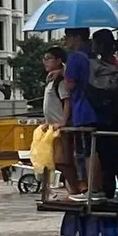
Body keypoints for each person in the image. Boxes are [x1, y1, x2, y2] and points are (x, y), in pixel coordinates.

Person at [62, 28, 105, 202]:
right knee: (95, 150)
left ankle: (92, 189)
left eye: (68, 37)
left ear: (77, 37)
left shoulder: (75, 57)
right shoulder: (95, 55)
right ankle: (97, 187)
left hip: (83, 110)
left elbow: (70, 84)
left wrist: (64, 74)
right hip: (99, 109)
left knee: (87, 151)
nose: (66, 41)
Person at [92, 29, 118, 200]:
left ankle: (116, 189)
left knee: (111, 155)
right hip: (116, 115)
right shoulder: (116, 63)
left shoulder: (105, 66)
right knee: (115, 155)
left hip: (110, 115)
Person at [41, 46, 80, 199]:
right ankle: (72, 189)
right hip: (52, 127)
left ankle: (75, 189)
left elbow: (67, 101)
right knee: (56, 161)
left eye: (48, 58)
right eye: (44, 59)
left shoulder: (61, 81)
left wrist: (63, 121)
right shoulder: (50, 79)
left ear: (58, 61)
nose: (45, 62)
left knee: (64, 160)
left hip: (61, 127)